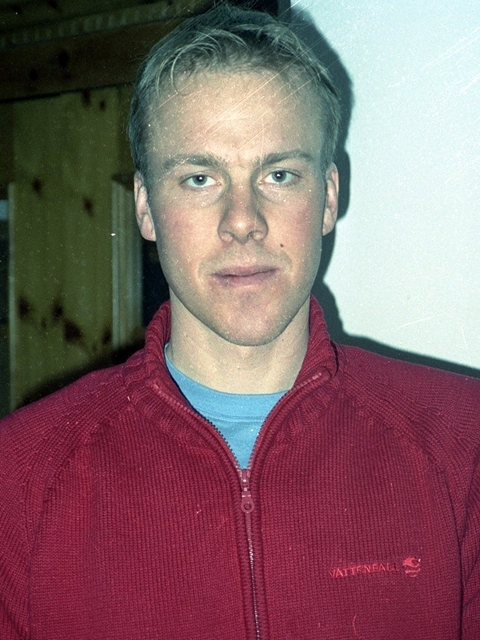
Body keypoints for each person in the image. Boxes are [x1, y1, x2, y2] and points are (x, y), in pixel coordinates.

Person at [1, 5, 479, 639]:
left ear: (328, 195)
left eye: (279, 175)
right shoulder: (20, 475)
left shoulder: (463, 444)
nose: (243, 221)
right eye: (200, 178)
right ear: (144, 207)